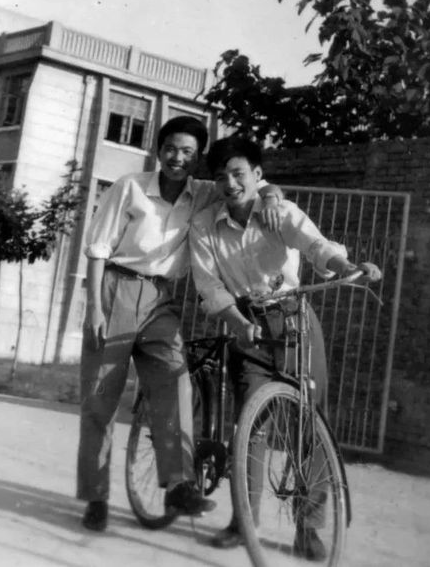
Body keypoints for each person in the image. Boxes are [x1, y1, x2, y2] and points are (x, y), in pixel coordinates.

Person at [77, 117, 283, 532]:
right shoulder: (130, 187)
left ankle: (178, 485)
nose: (177, 158)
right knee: (101, 399)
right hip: (116, 290)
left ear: (197, 158)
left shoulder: (205, 192)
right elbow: (97, 249)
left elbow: (250, 185)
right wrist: (95, 308)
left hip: (162, 298)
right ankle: (96, 497)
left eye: (188, 152)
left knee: (175, 380)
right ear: (159, 150)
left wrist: (274, 195)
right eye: (171, 148)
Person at [189, 136, 381, 560]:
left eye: (238, 174)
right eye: (221, 177)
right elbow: (209, 285)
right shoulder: (204, 225)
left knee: (310, 422)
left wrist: (347, 268)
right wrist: (237, 322)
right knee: (249, 426)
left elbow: (316, 246)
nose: (230, 184)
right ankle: (243, 521)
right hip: (245, 325)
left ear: (257, 175)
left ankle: (308, 528)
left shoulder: (280, 211)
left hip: (293, 320)